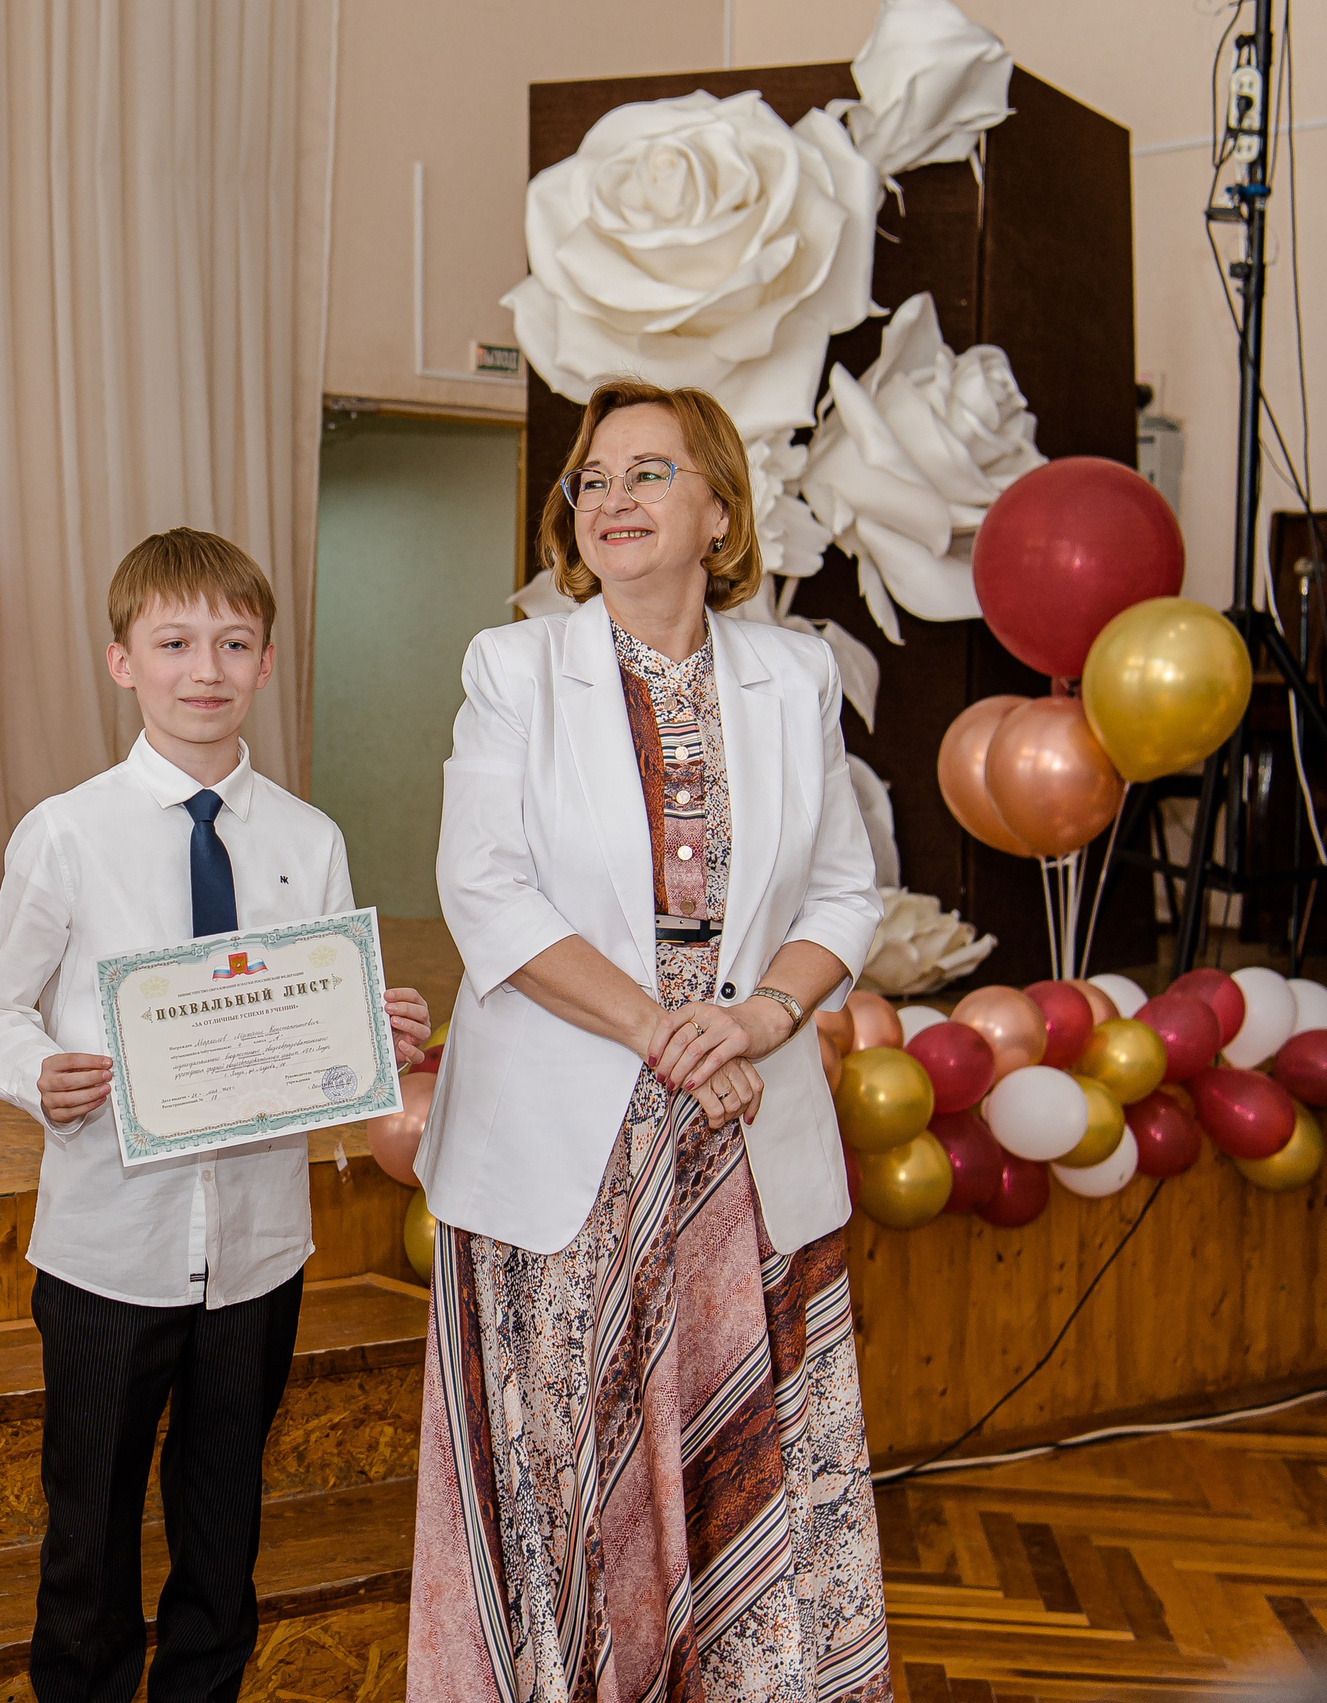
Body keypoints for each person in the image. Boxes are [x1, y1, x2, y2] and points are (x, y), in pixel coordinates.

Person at [406, 379, 890, 1702]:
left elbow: (847, 887)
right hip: (567, 1128)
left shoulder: (797, 673)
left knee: (752, 1454)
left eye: (650, 472)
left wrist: (760, 1015)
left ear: (721, 513)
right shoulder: (514, 666)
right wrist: (666, 1030)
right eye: (595, 477)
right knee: (564, 1464)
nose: (613, 498)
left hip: (742, 1130)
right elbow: (485, 887)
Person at [0, 529, 432, 1703]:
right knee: (90, 1538)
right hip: (110, 1246)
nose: (202, 667)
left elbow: (311, 1028)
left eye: (231, 641)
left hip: (259, 1252)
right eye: (173, 642)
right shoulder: (67, 830)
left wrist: (377, 1032)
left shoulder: (307, 839)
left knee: (224, 1538)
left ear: (266, 662)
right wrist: (39, 1069)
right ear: (123, 661)